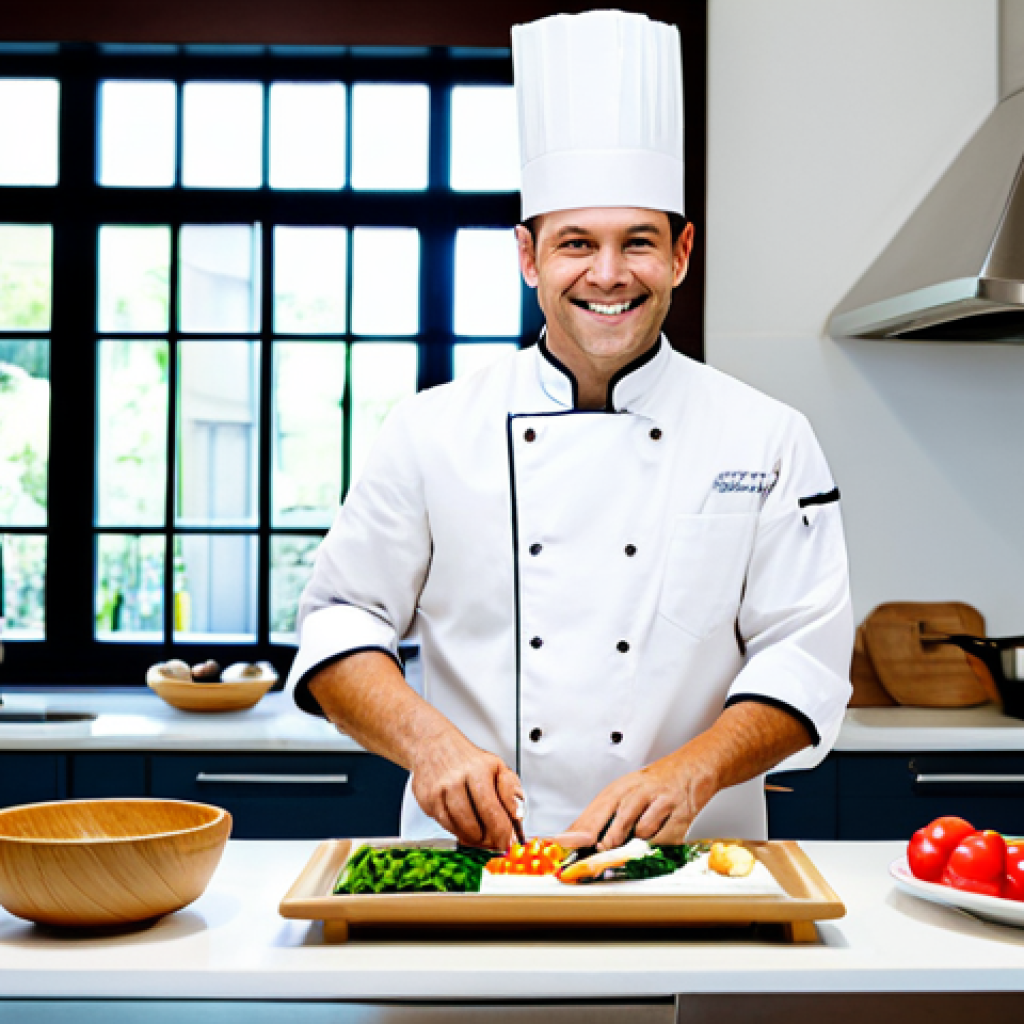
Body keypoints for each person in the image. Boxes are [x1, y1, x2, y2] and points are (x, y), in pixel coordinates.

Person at [287, 10, 854, 853]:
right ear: (527, 256)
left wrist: (691, 770)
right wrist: (430, 745)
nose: (609, 274)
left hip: (695, 870)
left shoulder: (766, 437)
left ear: (683, 253)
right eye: (575, 244)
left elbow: (804, 655)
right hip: (474, 868)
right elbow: (340, 621)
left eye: (640, 243)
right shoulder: (430, 430)